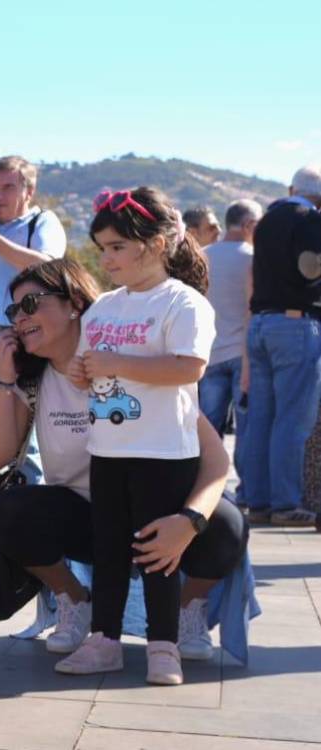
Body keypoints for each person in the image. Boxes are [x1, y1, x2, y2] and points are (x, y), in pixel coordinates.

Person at [0, 259, 246, 664]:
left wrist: (188, 522)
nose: (20, 317)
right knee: (10, 511)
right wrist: (3, 379)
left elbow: (214, 464)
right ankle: (75, 601)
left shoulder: (126, 361)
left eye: (31, 303)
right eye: (14, 310)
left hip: (159, 515)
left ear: (73, 304)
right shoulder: (33, 379)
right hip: (91, 521)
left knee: (227, 524)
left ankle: (188, 607)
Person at [55, 187, 214, 686]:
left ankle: (163, 645)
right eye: (102, 248)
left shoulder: (183, 302)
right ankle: (105, 638)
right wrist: (84, 374)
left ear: (157, 243)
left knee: (158, 552)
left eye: (117, 247)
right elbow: (90, 370)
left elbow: (189, 367)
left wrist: (117, 364)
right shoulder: (102, 308)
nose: (107, 258)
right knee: (109, 549)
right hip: (109, 450)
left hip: (164, 452)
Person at [237, 164, 321, 528]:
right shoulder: (309, 220)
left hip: (260, 323)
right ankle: (285, 503)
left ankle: (257, 500)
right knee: (292, 419)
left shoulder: (267, 220)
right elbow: (309, 266)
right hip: (295, 323)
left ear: (291, 188)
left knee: (261, 418)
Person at [0, 156, 67, 480]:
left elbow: (47, 270)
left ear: (29, 190)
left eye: (8, 187)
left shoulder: (41, 223)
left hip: (16, 338)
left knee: (25, 435)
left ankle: (32, 504)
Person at [199, 199, 261, 503]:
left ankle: (204, 490)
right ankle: (246, 492)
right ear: (249, 224)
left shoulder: (203, 256)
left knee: (207, 430)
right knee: (247, 429)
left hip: (209, 354)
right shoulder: (254, 258)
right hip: (244, 354)